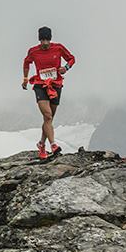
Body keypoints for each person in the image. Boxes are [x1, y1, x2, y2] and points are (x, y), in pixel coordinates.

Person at [22, 26, 75, 159]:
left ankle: (41, 144)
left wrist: (66, 67)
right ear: (39, 40)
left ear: (50, 39)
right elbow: (26, 63)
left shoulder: (58, 48)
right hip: (40, 85)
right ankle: (53, 145)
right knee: (48, 115)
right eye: (42, 40)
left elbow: (71, 58)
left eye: (47, 40)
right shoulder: (33, 51)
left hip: (56, 85)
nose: (45, 43)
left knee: (48, 119)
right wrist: (25, 78)